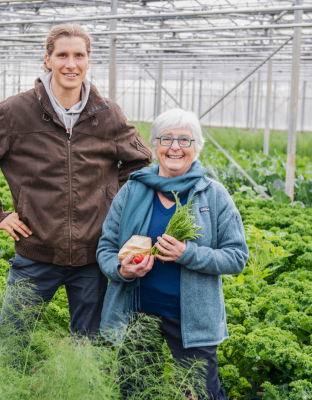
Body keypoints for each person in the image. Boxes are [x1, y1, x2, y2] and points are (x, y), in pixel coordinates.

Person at [0, 23, 152, 343]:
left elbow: (140, 161)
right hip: (36, 252)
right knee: (12, 346)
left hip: (93, 256)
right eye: (62, 55)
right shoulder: (16, 112)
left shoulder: (107, 114)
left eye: (79, 55)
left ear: (88, 61)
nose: (70, 64)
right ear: (48, 60)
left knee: (90, 351)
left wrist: (115, 204)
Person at [96, 108, 248, 399]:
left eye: (185, 140)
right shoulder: (132, 190)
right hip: (137, 313)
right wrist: (121, 270)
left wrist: (188, 253)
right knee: (138, 390)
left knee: (203, 392)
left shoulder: (213, 194)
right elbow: (106, 247)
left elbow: (237, 256)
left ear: (196, 147)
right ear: (154, 145)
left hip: (193, 320)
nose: (175, 147)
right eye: (166, 139)